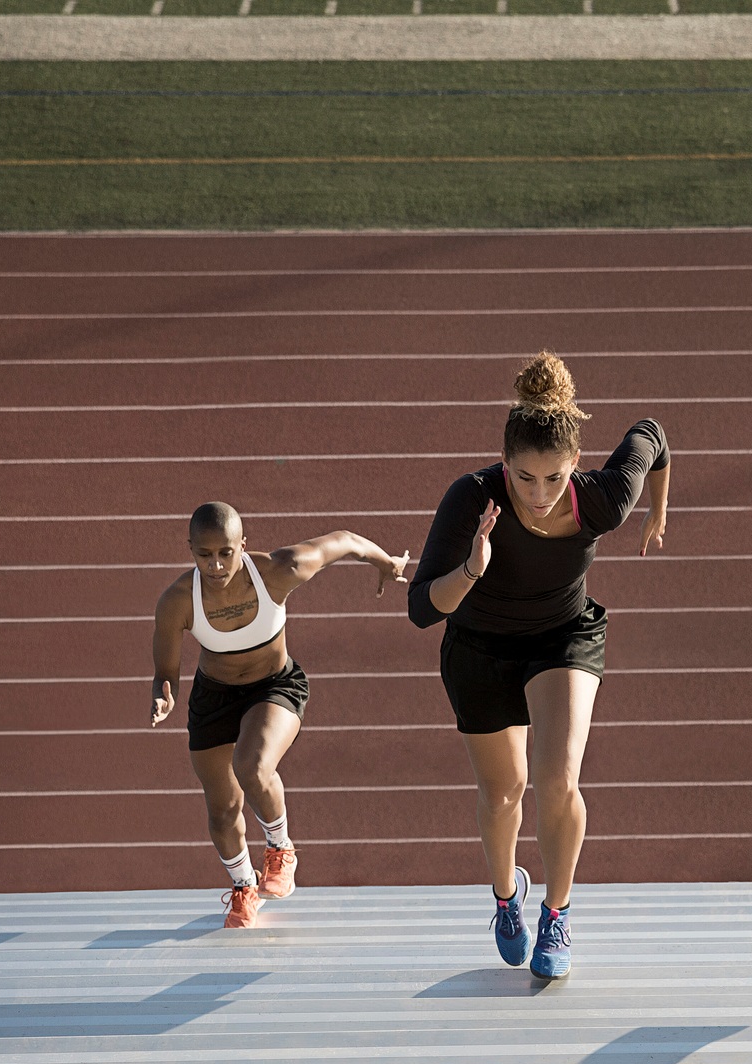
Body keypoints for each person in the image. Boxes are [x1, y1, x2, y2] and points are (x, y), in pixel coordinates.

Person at [409, 352, 671, 979]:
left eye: (553, 478)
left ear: (575, 467)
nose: (537, 494)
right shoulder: (471, 499)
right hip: (479, 647)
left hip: (562, 638)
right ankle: (507, 899)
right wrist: (474, 566)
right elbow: (422, 608)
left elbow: (653, 436)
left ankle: (556, 912)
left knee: (557, 781)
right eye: (523, 478)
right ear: (504, 466)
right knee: (504, 793)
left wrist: (658, 508)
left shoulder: (602, 501)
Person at [150, 502, 410, 929]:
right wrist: (164, 696)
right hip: (214, 697)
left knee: (251, 765)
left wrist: (385, 562)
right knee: (221, 810)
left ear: (243, 546)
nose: (215, 565)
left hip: (274, 685)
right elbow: (165, 671)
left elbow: (342, 542)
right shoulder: (178, 600)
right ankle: (243, 887)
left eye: (226, 553)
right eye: (204, 555)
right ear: (191, 549)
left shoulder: (279, 570)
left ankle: (280, 848)